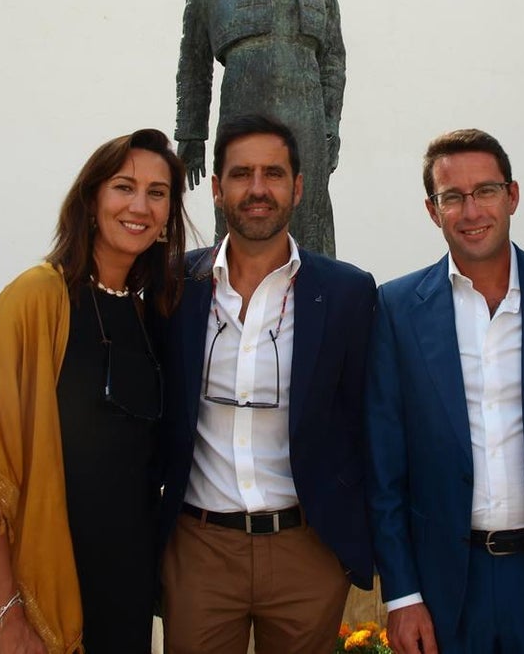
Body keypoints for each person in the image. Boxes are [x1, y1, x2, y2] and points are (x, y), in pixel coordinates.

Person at [0, 129, 189, 654]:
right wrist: (5, 614)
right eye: (124, 187)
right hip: (42, 598)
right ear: (91, 198)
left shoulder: (149, 313)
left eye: (157, 192)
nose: (140, 206)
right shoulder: (35, 300)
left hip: (124, 589)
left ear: (170, 212)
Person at [366, 129, 524, 654]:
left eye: (486, 191)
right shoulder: (397, 309)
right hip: (447, 584)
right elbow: (384, 467)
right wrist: (401, 594)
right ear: (433, 210)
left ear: (512, 195)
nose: (471, 211)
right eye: (453, 197)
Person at [158, 114, 375, 654]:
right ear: (216, 188)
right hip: (200, 549)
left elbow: (365, 419)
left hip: (307, 551)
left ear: (298, 187)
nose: (258, 189)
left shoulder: (347, 292)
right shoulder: (171, 287)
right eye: (241, 174)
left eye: (273, 174)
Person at [174, 0, 346, 257]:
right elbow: (194, 60)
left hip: (306, 110)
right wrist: (191, 133)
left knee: (310, 213)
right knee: (242, 208)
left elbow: (333, 57)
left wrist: (331, 121)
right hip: (243, 104)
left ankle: (320, 302)